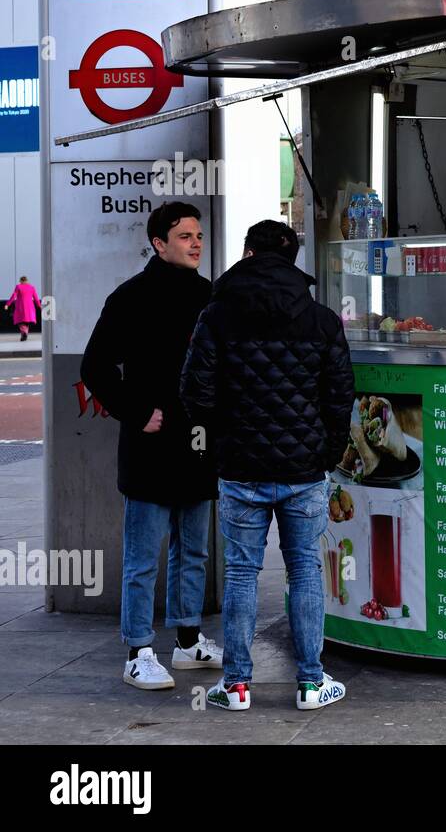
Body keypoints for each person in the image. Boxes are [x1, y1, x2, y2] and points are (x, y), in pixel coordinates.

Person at [181, 220, 354, 712]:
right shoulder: (321, 320)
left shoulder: (215, 314)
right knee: (304, 571)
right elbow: (341, 396)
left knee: (240, 573)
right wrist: (327, 450)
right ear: (294, 258)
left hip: (239, 469)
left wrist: (225, 435)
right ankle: (311, 683)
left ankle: (236, 686)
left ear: (247, 253)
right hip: (304, 472)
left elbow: (194, 391)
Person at [80, 202, 221, 690]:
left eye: (198, 235)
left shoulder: (210, 295)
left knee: (194, 552)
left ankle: (187, 642)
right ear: (159, 244)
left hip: (199, 446)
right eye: (185, 236)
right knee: (143, 556)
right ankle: (138, 651)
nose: (196, 243)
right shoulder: (130, 298)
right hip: (150, 449)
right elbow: (94, 368)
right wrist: (138, 412)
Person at [5, 276, 39, 341]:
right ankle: (24, 333)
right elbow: (36, 298)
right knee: (26, 322)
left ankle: (24, 333)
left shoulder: (18, 286)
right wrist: (39, 306)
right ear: (27, 281)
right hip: (30, 307)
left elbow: (14, 296)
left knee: (21, 321)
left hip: (20, 306)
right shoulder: (32, 287)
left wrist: (7, 304)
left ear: (20, 281)